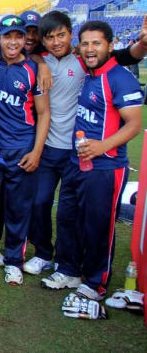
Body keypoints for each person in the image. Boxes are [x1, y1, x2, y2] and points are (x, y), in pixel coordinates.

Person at [42, 21, 143, 300]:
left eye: (96, 43)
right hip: (76, 162)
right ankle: (69, 270)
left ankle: (96, 282)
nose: (90, 49)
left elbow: (133, 124)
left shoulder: (120, 78)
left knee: (98, 226)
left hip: (106, 166)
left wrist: (102, 147)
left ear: (110, 46)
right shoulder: (86, 72)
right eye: (85, 43)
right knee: (67, 218)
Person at [0, 15, 50, 286]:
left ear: (24, 40)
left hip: (21, 149)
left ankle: (14, 261)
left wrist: (37, 151)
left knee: (18, 209)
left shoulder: (33, 70)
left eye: (18, 37)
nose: (13, 42)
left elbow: (43, 112)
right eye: (8, 37)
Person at [22, 11, 83, 276]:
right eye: (50, 37)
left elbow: (126, 56)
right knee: (40, 202)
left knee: (69, 211)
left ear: (71, 33)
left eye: (61, 35)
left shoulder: (84, 60)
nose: (56, 41)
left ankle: (67, 258)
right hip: (46, 147)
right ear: (43, 41)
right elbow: (27, 54)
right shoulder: (39, 61)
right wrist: (41, 62)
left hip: (76, 150)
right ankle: (43, 253)